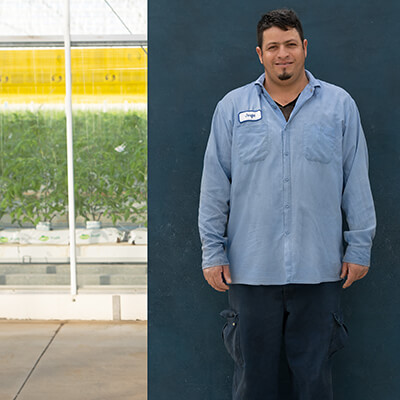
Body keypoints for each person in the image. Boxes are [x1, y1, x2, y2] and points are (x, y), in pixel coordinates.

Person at [198, 8, 376, 400]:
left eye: (291, 44)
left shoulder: (339, 106)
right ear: (259, 53)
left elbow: (355, 180)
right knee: (253, 384)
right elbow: (215, 186)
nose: (283, 54)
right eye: (273, 46)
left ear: (305, 48)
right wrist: (213, 252)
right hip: (249, 271)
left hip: (320, 268)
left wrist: (359, 246)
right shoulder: (231, 108)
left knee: (314, 382)